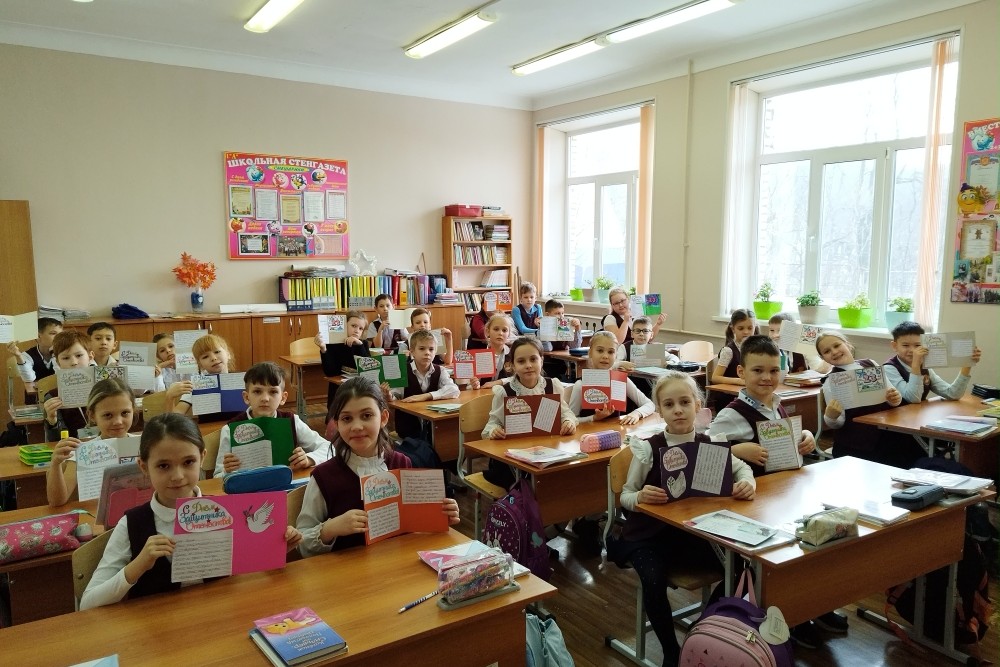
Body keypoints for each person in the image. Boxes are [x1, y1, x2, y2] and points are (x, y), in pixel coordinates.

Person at [80, 413, 302, 609]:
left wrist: (275, 548)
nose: (177, 476)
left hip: (219, 620)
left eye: (188, 462)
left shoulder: (229, 512)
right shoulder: (132, 524)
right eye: (163, 466)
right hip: (158, 631)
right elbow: (88, 602)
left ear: (202, 458)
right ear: (144, 467)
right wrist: (137, 566)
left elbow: (246, 576)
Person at [707, 335, 842, 647]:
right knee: (781, 559)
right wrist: (738, 449)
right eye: (758, 371)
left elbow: (788, 439)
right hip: (753, 504)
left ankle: (814, 607)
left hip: (783, 493)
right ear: (741, 372)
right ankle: (789, 619)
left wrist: (805, 436)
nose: (767, 377)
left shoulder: (777, 404)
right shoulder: (732, 413)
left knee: (814, 546)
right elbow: (706, 455)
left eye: (773, 370)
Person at [617, 371, 755, 667]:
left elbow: (742, 468)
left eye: (685, 402)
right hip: (649, 536)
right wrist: (640, 497)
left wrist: (748, 482)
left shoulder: (710, 443)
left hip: (695, 535)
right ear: (659, 409)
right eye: (669, 404)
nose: (678, 410)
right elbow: (625, 496)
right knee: (653, 580)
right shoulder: (648, 448)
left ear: (697, 405)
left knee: (742, 571)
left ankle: (701, 632)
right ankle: (671, 650)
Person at [296, 377, 460, 556]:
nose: (357, 426)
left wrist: (441, 516)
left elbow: (414, 527)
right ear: (337, 424)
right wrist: (331, 528)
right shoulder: (324, 477)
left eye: (366, 416)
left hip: (397, 564)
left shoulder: (402, 463)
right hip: (348, 570)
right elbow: (302, 544)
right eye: (347, 418)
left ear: (383, 418)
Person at [481, 337, 576, 488]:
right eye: (521, 361)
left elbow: (566, 413)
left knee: (563, 476)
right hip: (513, 458)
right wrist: (494, 430)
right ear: (512, 366)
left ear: (541, 361)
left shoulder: (552, 386)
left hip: (547, 451)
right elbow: (491, 425)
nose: (528, 365)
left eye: (533, 359)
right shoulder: (505, 392)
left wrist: (568, 422)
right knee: (529, 482)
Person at [816, 331, 919, 468]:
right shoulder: (830, 382)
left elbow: (893, 397)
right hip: (856, 442)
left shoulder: (870, 364)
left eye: (837, 345)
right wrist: (830, 417)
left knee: (913, 453)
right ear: (823, 357)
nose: (834, 352)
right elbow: (837, 423)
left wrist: (895, 398)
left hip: (885, 432)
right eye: (827, 351)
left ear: (847, 345)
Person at [214, 361, 332, 476]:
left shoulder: (291, 421)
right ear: (246, 397)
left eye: (273, 392)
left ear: (283, 398)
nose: (265, 398)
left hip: (286, 485)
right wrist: (226, 471)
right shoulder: (230, 429)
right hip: (247, 487)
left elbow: (330, 449)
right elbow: (218, 475)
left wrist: (308, 459)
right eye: (257, 391)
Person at [46, 377, 137, 506]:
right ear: (92, 415)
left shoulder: (145, 445)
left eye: (125, 413)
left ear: (133, 410)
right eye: (108, 415)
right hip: (97, 516)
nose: (118, 421)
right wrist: (55, 464)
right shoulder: (83, 452)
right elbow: (56, 501)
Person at [568, 331, 655, 425]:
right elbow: (571, 420)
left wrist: (636, 414)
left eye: (611, 352)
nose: (605, 356)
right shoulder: (580, 384)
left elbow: (650, 404)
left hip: (616, 431)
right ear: (590, 353)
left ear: (616, 355)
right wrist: (593, 418)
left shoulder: (620, 381)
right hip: (589, 432)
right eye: (600, 351)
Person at [884, 321, 982, 404]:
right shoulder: (889, 368)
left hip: (916, 415)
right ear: (895, 346)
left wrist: (967, 363)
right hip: (896, 417)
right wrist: (916, 365)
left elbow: (953, 394)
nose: (912, 350)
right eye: (905, 345)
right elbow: (913, 398)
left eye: (917, 345)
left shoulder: (925, 367)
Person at [167, 334, 243, 421]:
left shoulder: (244, 380)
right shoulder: (195, 386)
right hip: (209, 429)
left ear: (228, 354)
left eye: (217, 352)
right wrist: (170, 397)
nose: (213, 358)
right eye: (205, 357)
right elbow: (173, 420)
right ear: (200, 365)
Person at [41, 330, 97, 441]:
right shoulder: (53, 396)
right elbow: (53, 441)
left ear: (90, 356)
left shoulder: (104, 388)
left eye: (79, 355)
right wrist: (52, 420)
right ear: (58, 362)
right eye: (66, 358)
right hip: (72, 447)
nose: (74, 362)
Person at [315, 310, 370, 405]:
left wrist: (359, 346)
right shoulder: (333, 343)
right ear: (344, 325)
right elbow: (330, 372)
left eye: (361, 328)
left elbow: (368, 370)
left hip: (359, 390)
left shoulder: (362, 344)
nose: (357, 331)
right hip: (339, 391)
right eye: (353, 326)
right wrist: (323, 349)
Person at [7, 317, 63, 402]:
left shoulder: (64, 354)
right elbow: (29, 379)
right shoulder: (27, 355)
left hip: (58, 399)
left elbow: (61, 377)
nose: (59, 337)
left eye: (61, 334)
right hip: (35, 400)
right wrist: (18, 356)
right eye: (53, 333)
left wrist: (55, 354)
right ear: (38, 336)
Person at [539, 299, 582, 381]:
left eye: (562, 313)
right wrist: (544, 328)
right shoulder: (541, 329)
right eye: (557, 313)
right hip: (548, 363)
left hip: (563, 362)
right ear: (548, 315)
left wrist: (577, 329)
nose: (561, 316)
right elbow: (548, 348)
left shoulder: (565, 326)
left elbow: (575, 346)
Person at [471, 313, 513, 389]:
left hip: (506, 394)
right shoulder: (480, 356)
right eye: (496, 329)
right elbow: (475, 383)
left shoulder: (513, 355)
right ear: (487, 332)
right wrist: (475, 384)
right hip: (485, 394)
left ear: (509, 334)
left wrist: (498, 382)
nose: (500, 333)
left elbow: (518, 378)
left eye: (504, 330)